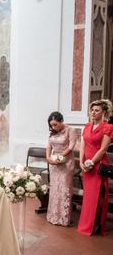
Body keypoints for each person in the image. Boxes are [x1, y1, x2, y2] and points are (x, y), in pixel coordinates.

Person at [78, 100, 112, 236]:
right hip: (86, 166)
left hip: (98, 165)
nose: (93, 112)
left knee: (97, 196)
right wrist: (81, 162)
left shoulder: (108, 127)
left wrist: (91, 162)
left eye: (96, 110)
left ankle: (95, 225)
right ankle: (86, 224)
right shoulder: (86, 126)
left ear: (104, 112)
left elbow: (103, 149)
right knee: (88, 197)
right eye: (92, 110)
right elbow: (82, 146)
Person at [46, 112, 78, 227]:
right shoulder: (53, 131)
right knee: (55, 188)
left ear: (61, 121)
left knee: (64, 188)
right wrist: (48, 158)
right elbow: (49, 146)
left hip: (66, 162)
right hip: (54, 162)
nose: (54, 127)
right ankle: (53, 215)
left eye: (55, 125)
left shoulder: (70, 130)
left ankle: (63, 218)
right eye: (52, 125)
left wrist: (60, 157)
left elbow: (71, 146)